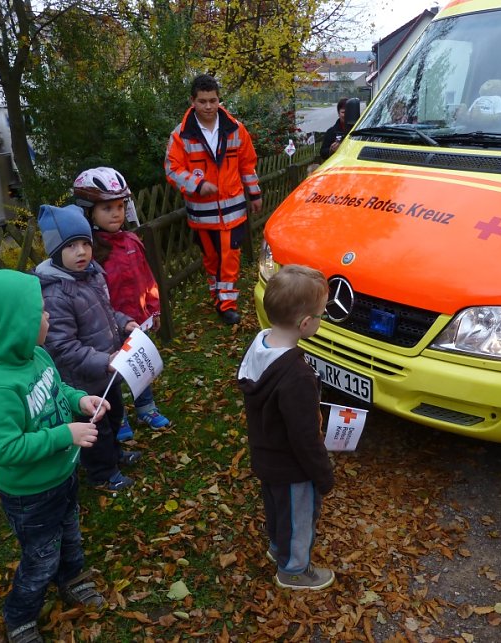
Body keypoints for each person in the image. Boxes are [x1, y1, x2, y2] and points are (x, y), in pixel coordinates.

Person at [0, 268, 108, 643]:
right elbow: (4, 449)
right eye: (39, 313)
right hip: (30, 496)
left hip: (62, 477)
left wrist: (80, 400)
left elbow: (59, 389)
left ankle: (73, 580)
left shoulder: (38, 356)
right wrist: (64, 434)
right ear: (15, 326)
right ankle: (20, 617)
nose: (48, 317)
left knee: (71, 535)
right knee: (41, 558)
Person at [237, 264, 335, 591]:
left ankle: (277, 547)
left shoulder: (261, 343)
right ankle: (293, 569)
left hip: (266, 455)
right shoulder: (296, 377)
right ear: (306, 324)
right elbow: (305, 438)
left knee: (278, 507)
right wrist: (323, 475)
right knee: (298, 516)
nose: (322, 319)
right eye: (322, 314)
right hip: (292, 466)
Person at [34, 203, 141, 492]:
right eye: (71, 246)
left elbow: (105, 312)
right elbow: (63, 347)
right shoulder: (55, 293)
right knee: (97, 430)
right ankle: (102, 473)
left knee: (115, 415)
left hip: (106, 373)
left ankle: (115, 456)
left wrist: (125, 323)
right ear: (56, 252)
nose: (81, 252)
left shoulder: (92, 275)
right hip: (82, 381)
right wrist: (104, 360)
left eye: (85, 243)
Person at [73, 166, 171, 441]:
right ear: (88, 211)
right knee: (113, 374)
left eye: (120, 206)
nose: (116, 213)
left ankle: (146, 407)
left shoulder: (131, 241)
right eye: (107, 208)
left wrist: (153, 309)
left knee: (139, 367)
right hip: (106, 327)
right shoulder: (89, 252)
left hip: (137, 322)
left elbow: (146, 278)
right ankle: (120, 415)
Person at [164, 73, 262, 325]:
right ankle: (217, 294)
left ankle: (226, 304)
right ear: (192, 101)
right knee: (212, 258)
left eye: (213, 100)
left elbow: (247, 165)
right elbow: (172, 169)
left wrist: (254, 194)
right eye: (203, 101)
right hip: (202, 213)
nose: (208, 106)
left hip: (233, 211)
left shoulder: (236, 130)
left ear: (219, 100)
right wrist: (198, 184)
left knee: (230, 256)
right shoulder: (181, 136)